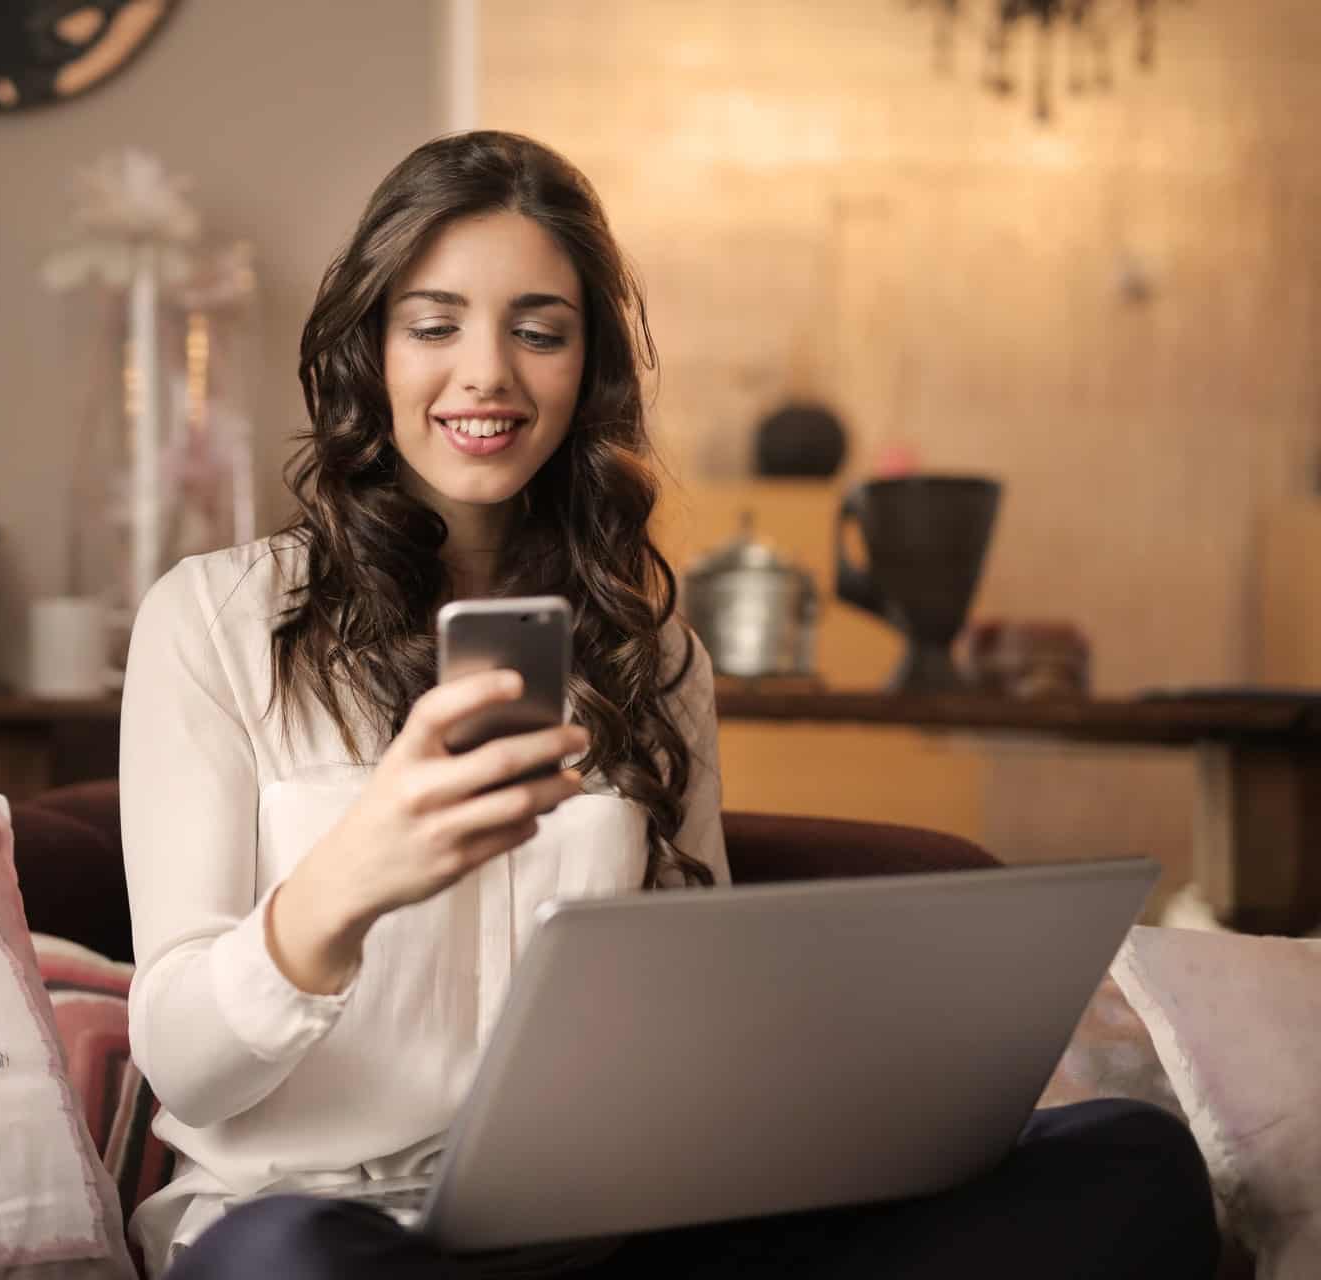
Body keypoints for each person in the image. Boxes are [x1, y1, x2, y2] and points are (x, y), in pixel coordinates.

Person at [117, 131, 1217, 1280]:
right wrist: (348, 881)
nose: (486, 373)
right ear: (370, 352)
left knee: (1132, 1161)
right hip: (323, 1225)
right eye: (434, 324)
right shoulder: (218, 622)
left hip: (601, 1234)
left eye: (538, 330)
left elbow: (694, 1017)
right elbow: (186, 1063)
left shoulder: (654, 659)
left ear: (585, 368)